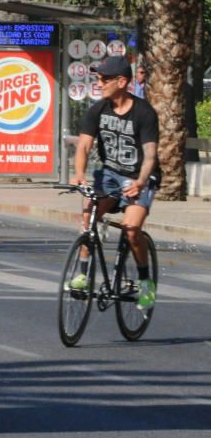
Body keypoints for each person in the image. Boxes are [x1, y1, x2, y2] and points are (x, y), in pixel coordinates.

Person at [70, 54, 160, 307]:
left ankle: (145, 282)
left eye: (104, 78)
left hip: (139, 176)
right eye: (98, 77)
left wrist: (141, 181)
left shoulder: (144, 112)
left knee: (132, 231)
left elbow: (151, 154)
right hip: (109, 174)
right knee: (89, 217)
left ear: (122, 81)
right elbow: (84, 146)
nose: (99, 82)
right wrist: (79, 174)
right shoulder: (98, 109)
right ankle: (82, 274)